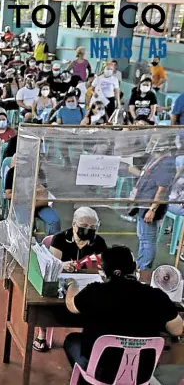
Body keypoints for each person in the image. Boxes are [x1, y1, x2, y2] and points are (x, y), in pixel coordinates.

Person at [63, 245, 183, 382]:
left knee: (72, 340)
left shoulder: (95, 292)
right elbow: (177, 329)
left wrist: (72, 284)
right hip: (141, 374)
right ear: (134, 267)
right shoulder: (157, 296)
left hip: (101, 372)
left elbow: (71, 305)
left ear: (105, 270)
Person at [31, 207, 106, 352]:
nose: (88, 230)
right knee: (46, 299)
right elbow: (52, 264)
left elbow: (101, 264)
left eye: (93, 227)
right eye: (84, 226)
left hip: (87, 281)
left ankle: (90, 334)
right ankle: (42, 333)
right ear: (74, 224)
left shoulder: (99, 242)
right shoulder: (60, 238)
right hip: (63, 281)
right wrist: (62, 265)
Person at [121, 134, 176, 270]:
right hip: (144, 203)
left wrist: (153, 209)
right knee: (143, 237)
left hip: (150, 206)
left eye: (155, 142)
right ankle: (140, 266)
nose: (151, 144)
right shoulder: (155, 159)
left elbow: (162, 190)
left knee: (147, 240)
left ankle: (144, 269)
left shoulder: (166, 163)